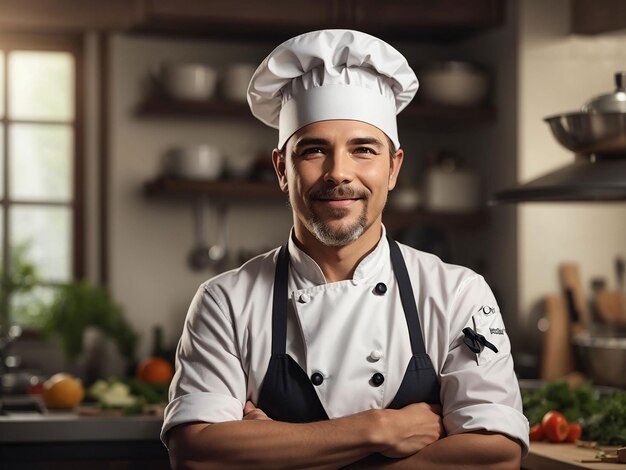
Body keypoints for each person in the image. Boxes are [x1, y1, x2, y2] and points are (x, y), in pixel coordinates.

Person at [162, 29, 529, 469]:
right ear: (282, 168)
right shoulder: (225, 302)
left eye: (363, 150)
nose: (339, 173)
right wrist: (377, 429)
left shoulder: (457, 294)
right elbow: (196, 454)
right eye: (314, 150)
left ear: (393, 168)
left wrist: (276, 445)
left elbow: (495, 454)